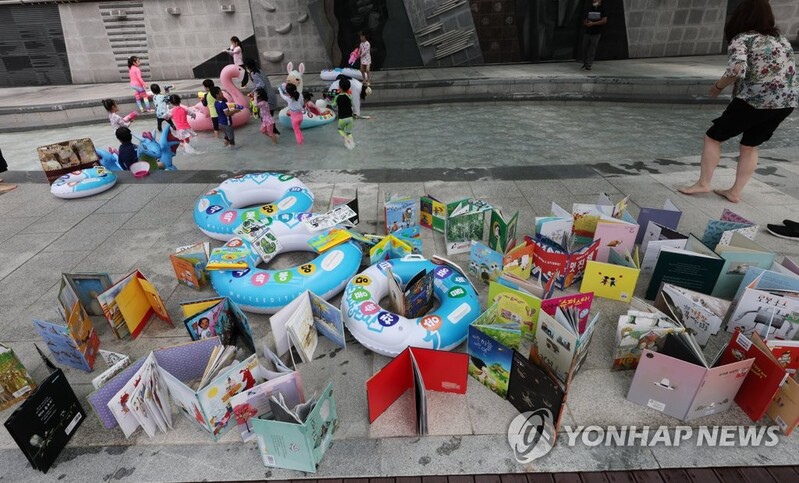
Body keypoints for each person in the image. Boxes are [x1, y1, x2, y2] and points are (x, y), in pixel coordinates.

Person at [678, 0, 797, 203]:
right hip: (786, 101)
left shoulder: (742, 39)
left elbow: (736, 70)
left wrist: (717, 87)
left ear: (740, 16)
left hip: (755, 100)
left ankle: (703, 183)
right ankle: (735, 192)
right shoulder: (781, 40)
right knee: (750, 145)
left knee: (713, 137)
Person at [243, 58, 280, 136]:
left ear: (247, 66)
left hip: (267, 98)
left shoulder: (253, 74)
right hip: (271, 95)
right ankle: (275, 135)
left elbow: (261, 85)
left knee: (265, 119)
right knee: (269, 118)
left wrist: (253, 93)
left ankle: (274, 136)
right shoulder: (260, 71)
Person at [581, 0, 607, 71]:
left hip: (596, 33)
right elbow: (585, 18)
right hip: (588, 32)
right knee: (584, 48)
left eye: (596, 0)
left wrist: (593, 24)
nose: (594, 1)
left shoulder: (602, 9)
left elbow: (604, 20)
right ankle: (585, 63)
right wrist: (586, 22)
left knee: (591, 50)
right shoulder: (590, 8)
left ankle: (588, 65)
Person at [331, 78, 355, 149]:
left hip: (342, 118)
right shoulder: (350, 96)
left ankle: (345, 138)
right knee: (349, 132)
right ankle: (351, 144)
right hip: (350, 118)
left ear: (339, 87)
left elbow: (334, 105)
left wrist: (332, 101)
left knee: (340, 129)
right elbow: (351, 104)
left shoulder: (337, 97)